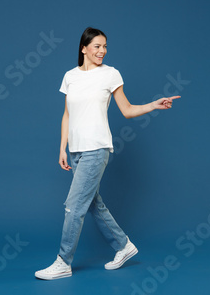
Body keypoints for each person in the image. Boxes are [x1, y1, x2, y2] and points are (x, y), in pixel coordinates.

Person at [35, 27, 180, 280]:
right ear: (84, 48)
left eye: (104, 47)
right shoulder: (70, 76)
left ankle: (63, 262)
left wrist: (154, 105)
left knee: (73, 207)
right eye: (97, 46)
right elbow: (67, 114)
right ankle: (124, 246)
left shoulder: (110, 74)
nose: (102, 51)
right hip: (76, 151)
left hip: (96, 148)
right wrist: (62, 147)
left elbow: (127, 110)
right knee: (93, 204)